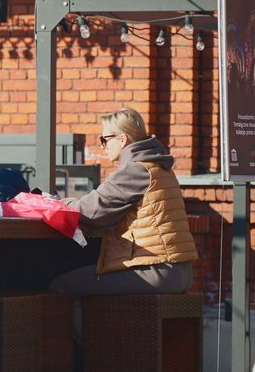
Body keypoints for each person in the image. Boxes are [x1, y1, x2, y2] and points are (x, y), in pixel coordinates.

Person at [50, 108, 197, 296]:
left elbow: (92, 212)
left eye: (105, 139)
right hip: (177, 270)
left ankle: (94, 327)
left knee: (62, 284)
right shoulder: (158, 165)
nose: (103, 146)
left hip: (155, 269)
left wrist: (57, 204)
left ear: (122, 139)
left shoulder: (136, 169)